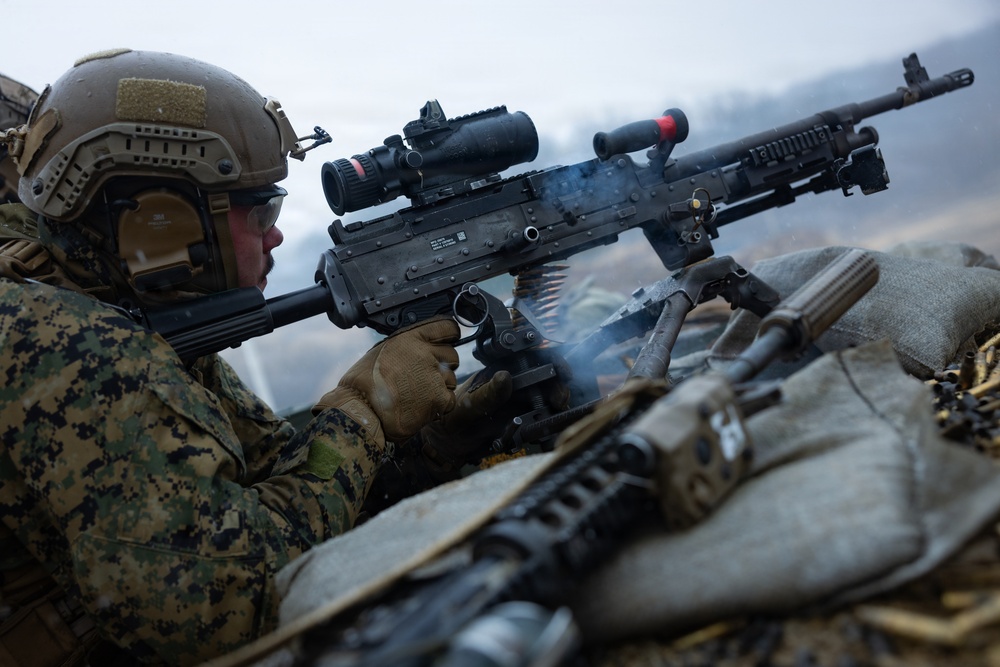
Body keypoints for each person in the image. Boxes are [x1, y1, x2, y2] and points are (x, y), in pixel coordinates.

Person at [0, 49, 508, 666]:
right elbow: (232, 604)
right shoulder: (71, 348)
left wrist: (433, 446)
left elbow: (294, 491)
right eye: (260, 211)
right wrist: (363, 413)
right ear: (163, 224)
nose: (276, 235)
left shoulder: (118, 306)